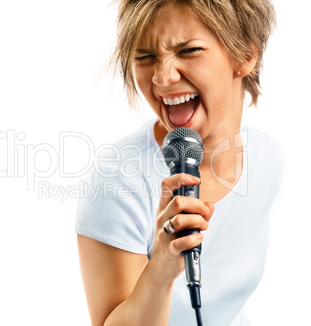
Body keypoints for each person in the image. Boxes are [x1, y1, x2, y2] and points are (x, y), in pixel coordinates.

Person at [75, 0, 283, 325]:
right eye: (145, 57)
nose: (162, 77)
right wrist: (161, 270)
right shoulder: (118, 179)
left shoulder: (265, 158)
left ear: (245, 54)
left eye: (188, 51)